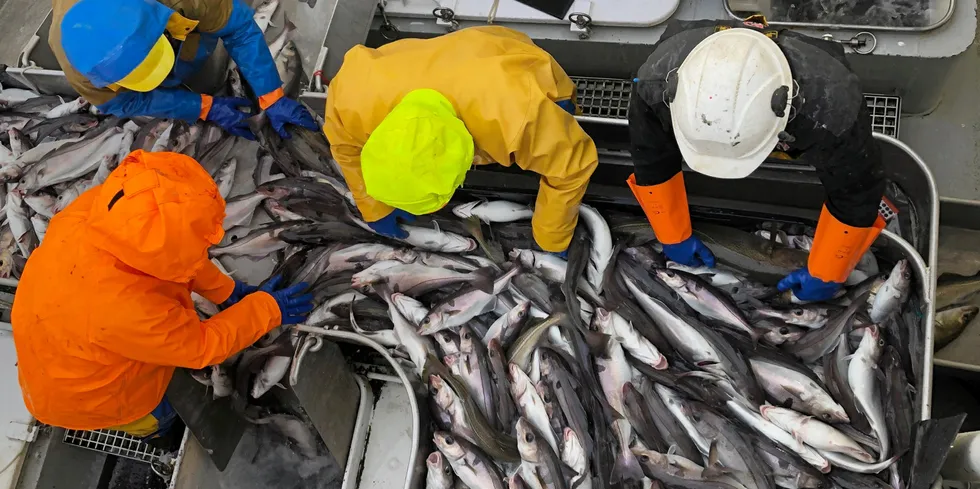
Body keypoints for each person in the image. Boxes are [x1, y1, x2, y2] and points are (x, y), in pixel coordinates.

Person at [11, 150, 313, 438]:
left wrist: (226, 289)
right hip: (88, 397)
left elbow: (174, 252)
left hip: (62, 342)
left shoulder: (104, 207)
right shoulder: (129, 310)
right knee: (157, 416)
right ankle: (161, 435)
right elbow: (202, 347)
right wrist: (267, 310)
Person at [627, 18, 887, 302]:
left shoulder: (831, 106)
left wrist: (829, 270)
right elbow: (651, 159)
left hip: (810, 76)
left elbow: (857, 192)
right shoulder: (656, 81)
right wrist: (671, 235)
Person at [322, 26, 598, 257]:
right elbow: (346, 149)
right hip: (447, 62)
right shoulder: (351, 100)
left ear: (465, 163)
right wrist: (373, 205)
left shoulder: (517, 118)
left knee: (560, 124)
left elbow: (572, 166)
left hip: (508, 56)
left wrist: (551, 237)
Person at [49, 0, 318, 140]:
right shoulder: (79, 68)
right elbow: (128, 100)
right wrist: (204, 107)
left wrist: (270, 94)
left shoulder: (190, 1)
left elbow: (241, 30)